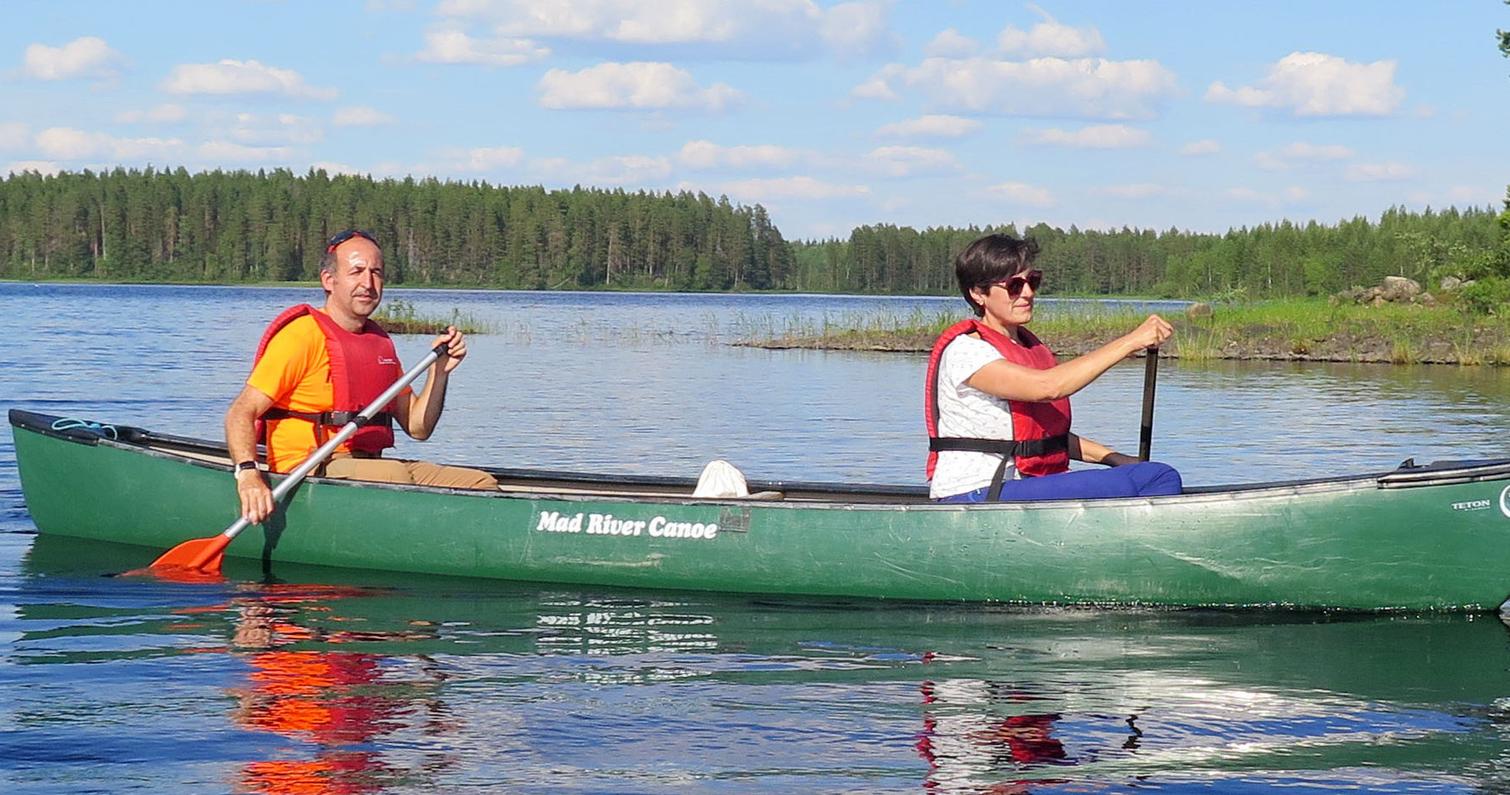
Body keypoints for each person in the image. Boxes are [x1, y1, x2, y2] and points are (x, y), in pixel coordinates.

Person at [227, 229, 497, 524]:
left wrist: (439, 373)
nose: (368, 283)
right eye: (356, 271)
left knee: (481, 484)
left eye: (376, 272)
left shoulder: (379, 344)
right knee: (393, 477)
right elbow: (240, 412)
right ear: (329, 281)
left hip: (370, 466)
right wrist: (248, 474)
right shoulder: (302, 337)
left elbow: (418, 427)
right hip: (311, 468)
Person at [926, 233, 1182, 502]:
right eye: (1014, 286)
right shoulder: (966, 351)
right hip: (973, 492)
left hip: (1018, 489)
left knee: (1146, 474)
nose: (1028, 293)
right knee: (1158, 478)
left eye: (1032, 281)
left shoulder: (1027, 348)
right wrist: (1132, 341)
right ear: (978, 293)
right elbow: (1048, 387)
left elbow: (1047, 439)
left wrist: (1115, 458)